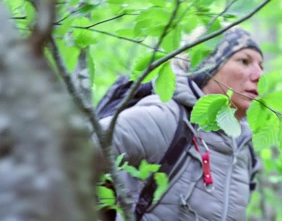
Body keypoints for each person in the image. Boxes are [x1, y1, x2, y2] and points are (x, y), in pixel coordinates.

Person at [100, 27, 264, 220]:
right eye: (244, 61)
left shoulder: (244, 148)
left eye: (261, 66)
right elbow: (71, 154)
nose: (259, 74)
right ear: (206, 66)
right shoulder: (166, 117)